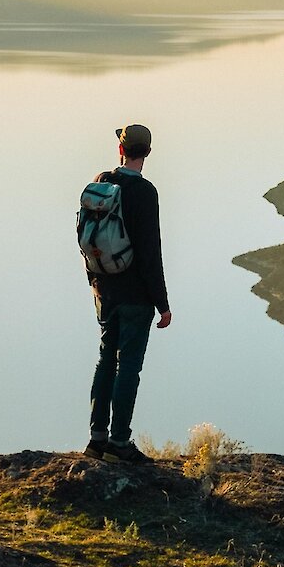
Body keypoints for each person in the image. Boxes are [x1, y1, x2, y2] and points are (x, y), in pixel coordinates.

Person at [83, 124, 172, 464]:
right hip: (135, 295)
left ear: (121, 150)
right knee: (128, 368)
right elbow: (151, 252)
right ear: (146, 153)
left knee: (106, 361)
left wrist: (96, 283)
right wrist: (162, 304)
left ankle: (96, 440)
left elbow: (89, 239)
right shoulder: (145, 193)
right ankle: (119, 444)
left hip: (104, 289)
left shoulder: (102, 181)